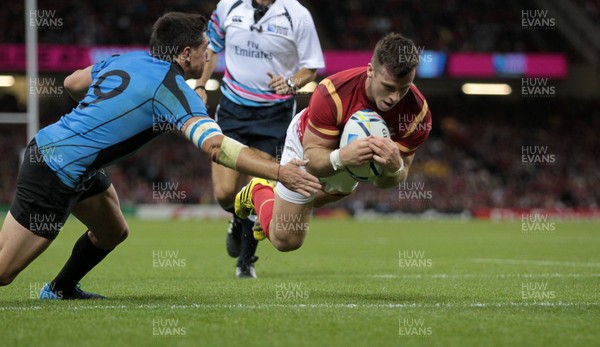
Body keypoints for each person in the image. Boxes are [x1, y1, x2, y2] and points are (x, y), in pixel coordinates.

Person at [0, 12, 320, 299]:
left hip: (74, 163)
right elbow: (216, 147)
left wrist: (102, 108)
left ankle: (59, 290)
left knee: (112, 231)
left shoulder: (130, 59)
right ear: (185, 53)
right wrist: (280, 172)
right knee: (4, 271)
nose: (209, 54)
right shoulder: (175, 92)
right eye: (204, 48)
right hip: (55, 168)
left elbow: (72, 82)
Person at [234, 33, 432, 252]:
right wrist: (342, 156)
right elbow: (313, 161)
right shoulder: (333, 92)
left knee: (313, 199)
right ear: (370, 71)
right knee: (287, 240)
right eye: (388, 86)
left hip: (353, 164)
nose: (394, 97)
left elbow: (384, 182)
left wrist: (395, 168)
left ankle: (277, 202)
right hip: (310, 146)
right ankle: (259, 188)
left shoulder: (417, 114)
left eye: (403, 89)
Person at [195, 0, 324, 278]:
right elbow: (212, 48)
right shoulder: (228, 6)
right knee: (224, 193)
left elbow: (311, 67)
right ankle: (237, 218)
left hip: (274, 114)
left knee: (259, 182)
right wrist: (201, 85)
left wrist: (292, 83)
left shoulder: (298, 14)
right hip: (232, 107)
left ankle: (245, 259)